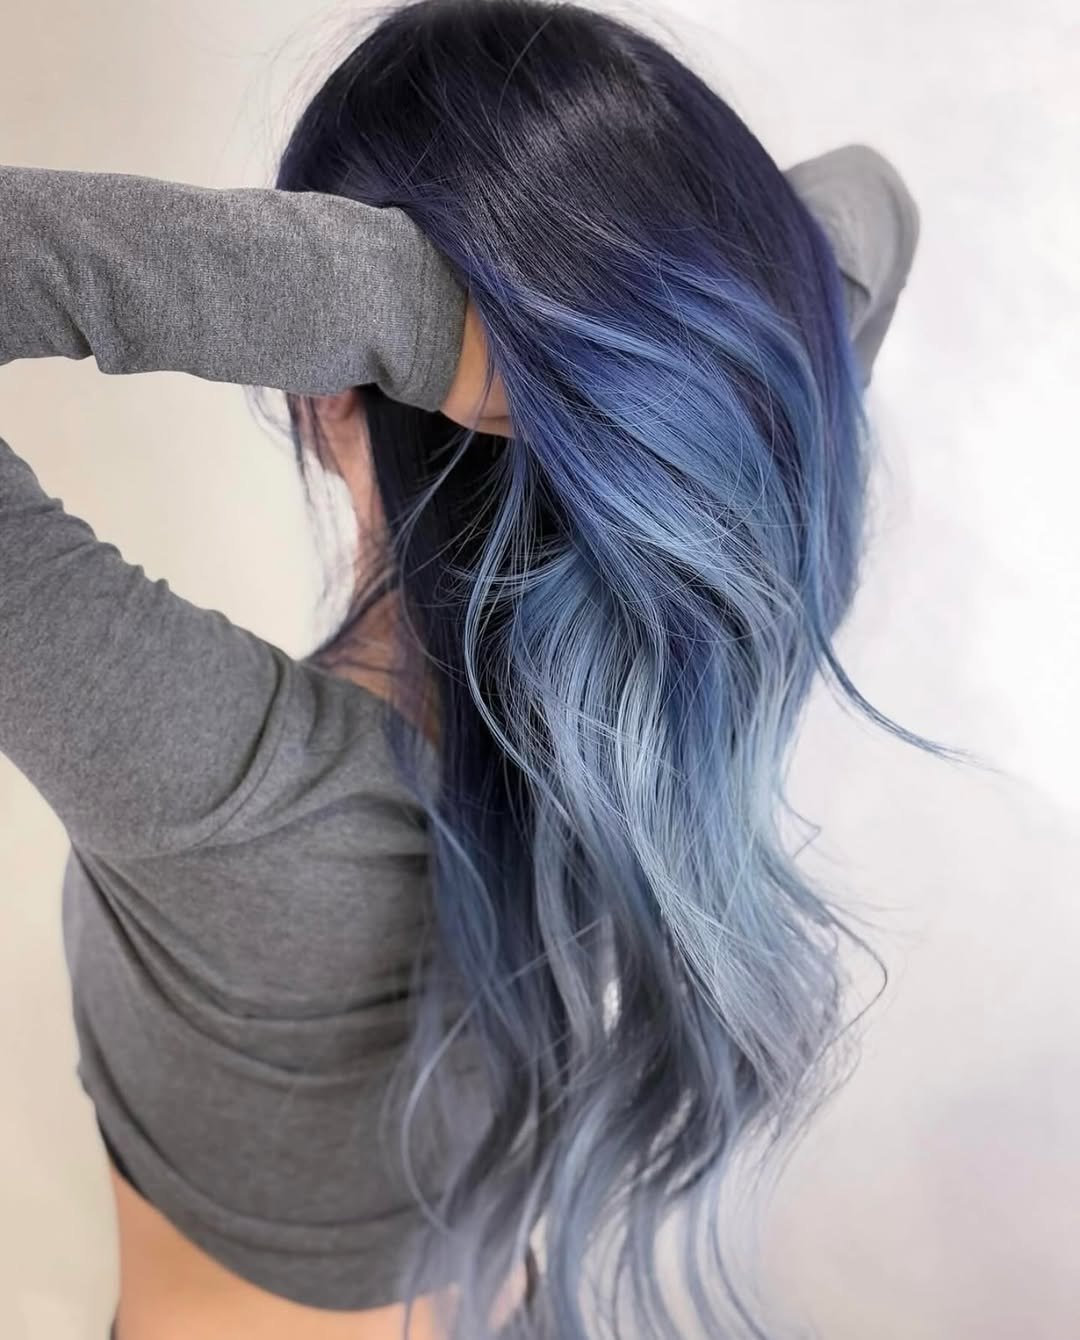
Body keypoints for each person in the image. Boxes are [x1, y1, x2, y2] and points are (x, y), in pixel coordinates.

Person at [0, 19, 919, 1340]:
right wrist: (612, 331)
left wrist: (416, 315)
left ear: (322, 388)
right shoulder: (671, 685)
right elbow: (875, 204)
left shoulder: (223, 790)